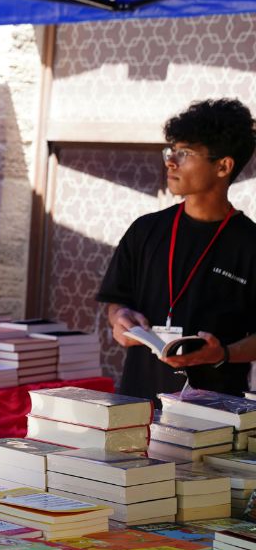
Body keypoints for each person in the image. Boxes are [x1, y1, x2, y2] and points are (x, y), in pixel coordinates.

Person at [97, 98, 256, 400]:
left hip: (215, 414)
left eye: (185, 154)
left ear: (223, 166)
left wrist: (221, 353)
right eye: (171, 151)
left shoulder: (250, 244)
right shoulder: (145, 230)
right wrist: (121, 318)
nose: (170, 161)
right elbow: (116, 303)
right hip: (136, 403)